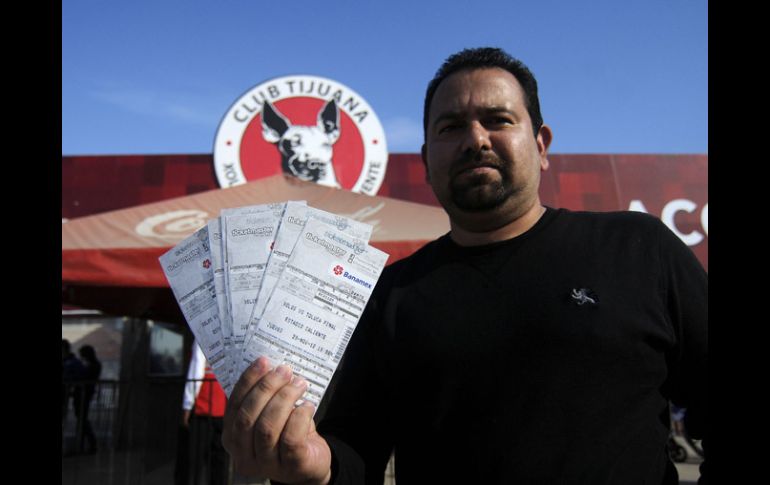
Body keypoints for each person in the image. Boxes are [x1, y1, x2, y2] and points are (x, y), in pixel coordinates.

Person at [221, 47, 708, 484]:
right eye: (451, 127)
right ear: (427, 159)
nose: (476, 139)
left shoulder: (638, 249)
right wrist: (314, 464)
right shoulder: (392, 293)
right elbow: (354, 451)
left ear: (541, 146)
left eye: (498, 120)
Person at [174, 341, 230, 485]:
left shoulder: (202, 336)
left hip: (203, 407)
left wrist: (187, 405)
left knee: (194, 458)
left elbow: (196, 370)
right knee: (219, 459)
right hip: (222, 408)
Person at [73, 344, 102, 454]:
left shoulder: (92, 365)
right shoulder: (94, 365)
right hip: (85, 394)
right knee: (82, 419)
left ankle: (89, 444)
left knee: (82, 419)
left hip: (84, 394)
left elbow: (85, 378)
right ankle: (88, 444)